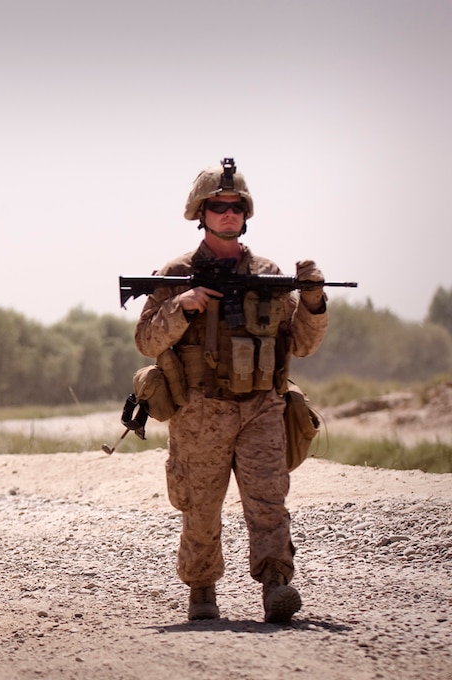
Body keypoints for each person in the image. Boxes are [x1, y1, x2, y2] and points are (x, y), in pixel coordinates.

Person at [133, 158, 329, 624]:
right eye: (219, 206)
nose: (228, 214)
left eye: (236, 207)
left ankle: (276, 584)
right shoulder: (178, 271)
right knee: (201, 504)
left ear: (246, 213)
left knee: (268, 501)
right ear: (201, 213)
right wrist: (181, 307)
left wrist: (315, 301)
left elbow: (301, 343)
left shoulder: (267, 272)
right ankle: (202, 589)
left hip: (262, 405)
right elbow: (146, 341)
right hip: (201, 409)